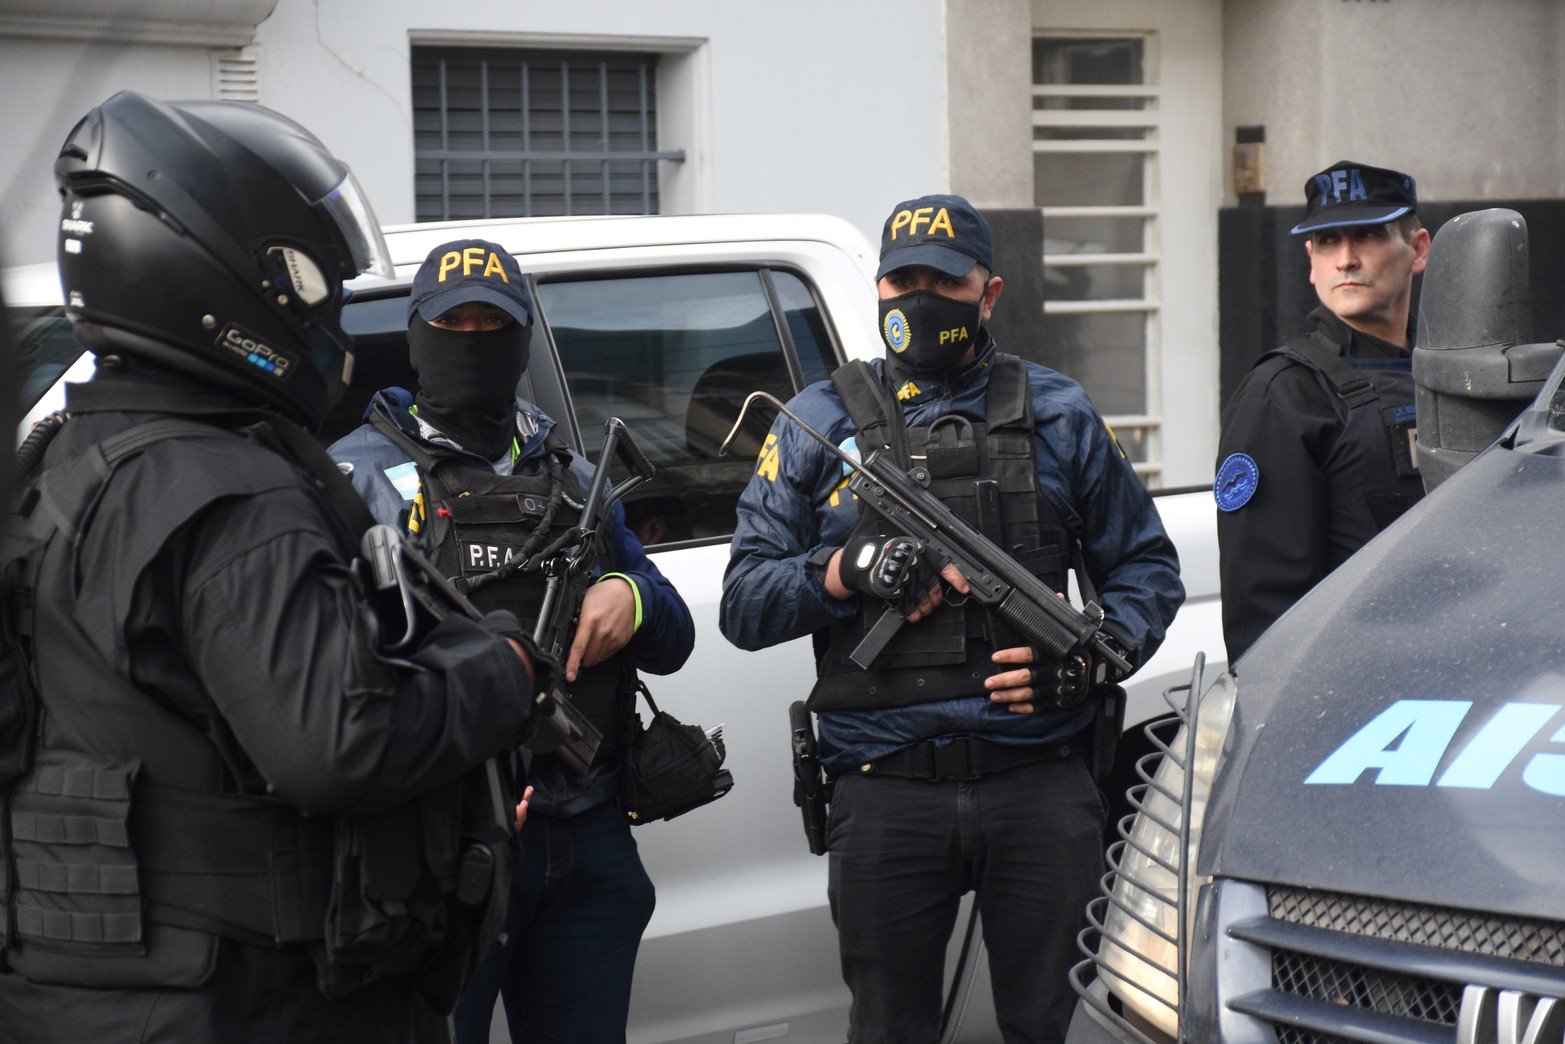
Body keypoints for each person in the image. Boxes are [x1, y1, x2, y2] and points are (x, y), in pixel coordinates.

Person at [0, 92, 553, 1042]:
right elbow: (339, 740)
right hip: (242, 1003)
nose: (326, 316)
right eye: (312, 287)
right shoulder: (229, 492)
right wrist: (500, 672)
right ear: (219, 279)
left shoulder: (60, 468)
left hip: (81, 989)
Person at [720, 194, 1184, 1044]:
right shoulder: (815, 421)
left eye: (944, 279)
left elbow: (1146, 569)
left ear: (989, 291)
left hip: (1039, 781)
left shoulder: (1059, 413)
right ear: (879, 288)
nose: (919, 297)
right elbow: (743, 604)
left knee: (1051, 1024)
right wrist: (840, 570)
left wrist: (1091, 658)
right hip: (883, 789)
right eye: (903, 279)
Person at [329, 238, 695, 1044]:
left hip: (587, 838)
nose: (470, 339)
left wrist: (628, 594)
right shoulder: (352, 480)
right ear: (417, 335)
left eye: (490, 325)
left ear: (522, 340)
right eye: (451, 322)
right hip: (444, 841)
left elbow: (675, 635)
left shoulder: (573, 480)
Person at [1215, 161, 1431, 662]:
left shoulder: (1458, 374)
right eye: (1328, 242)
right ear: (1310, 261)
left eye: (1368, 236)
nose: (1347, 260)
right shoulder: (1284, 395)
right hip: (1352, 690)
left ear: (1418, 249)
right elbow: (1264, 618)